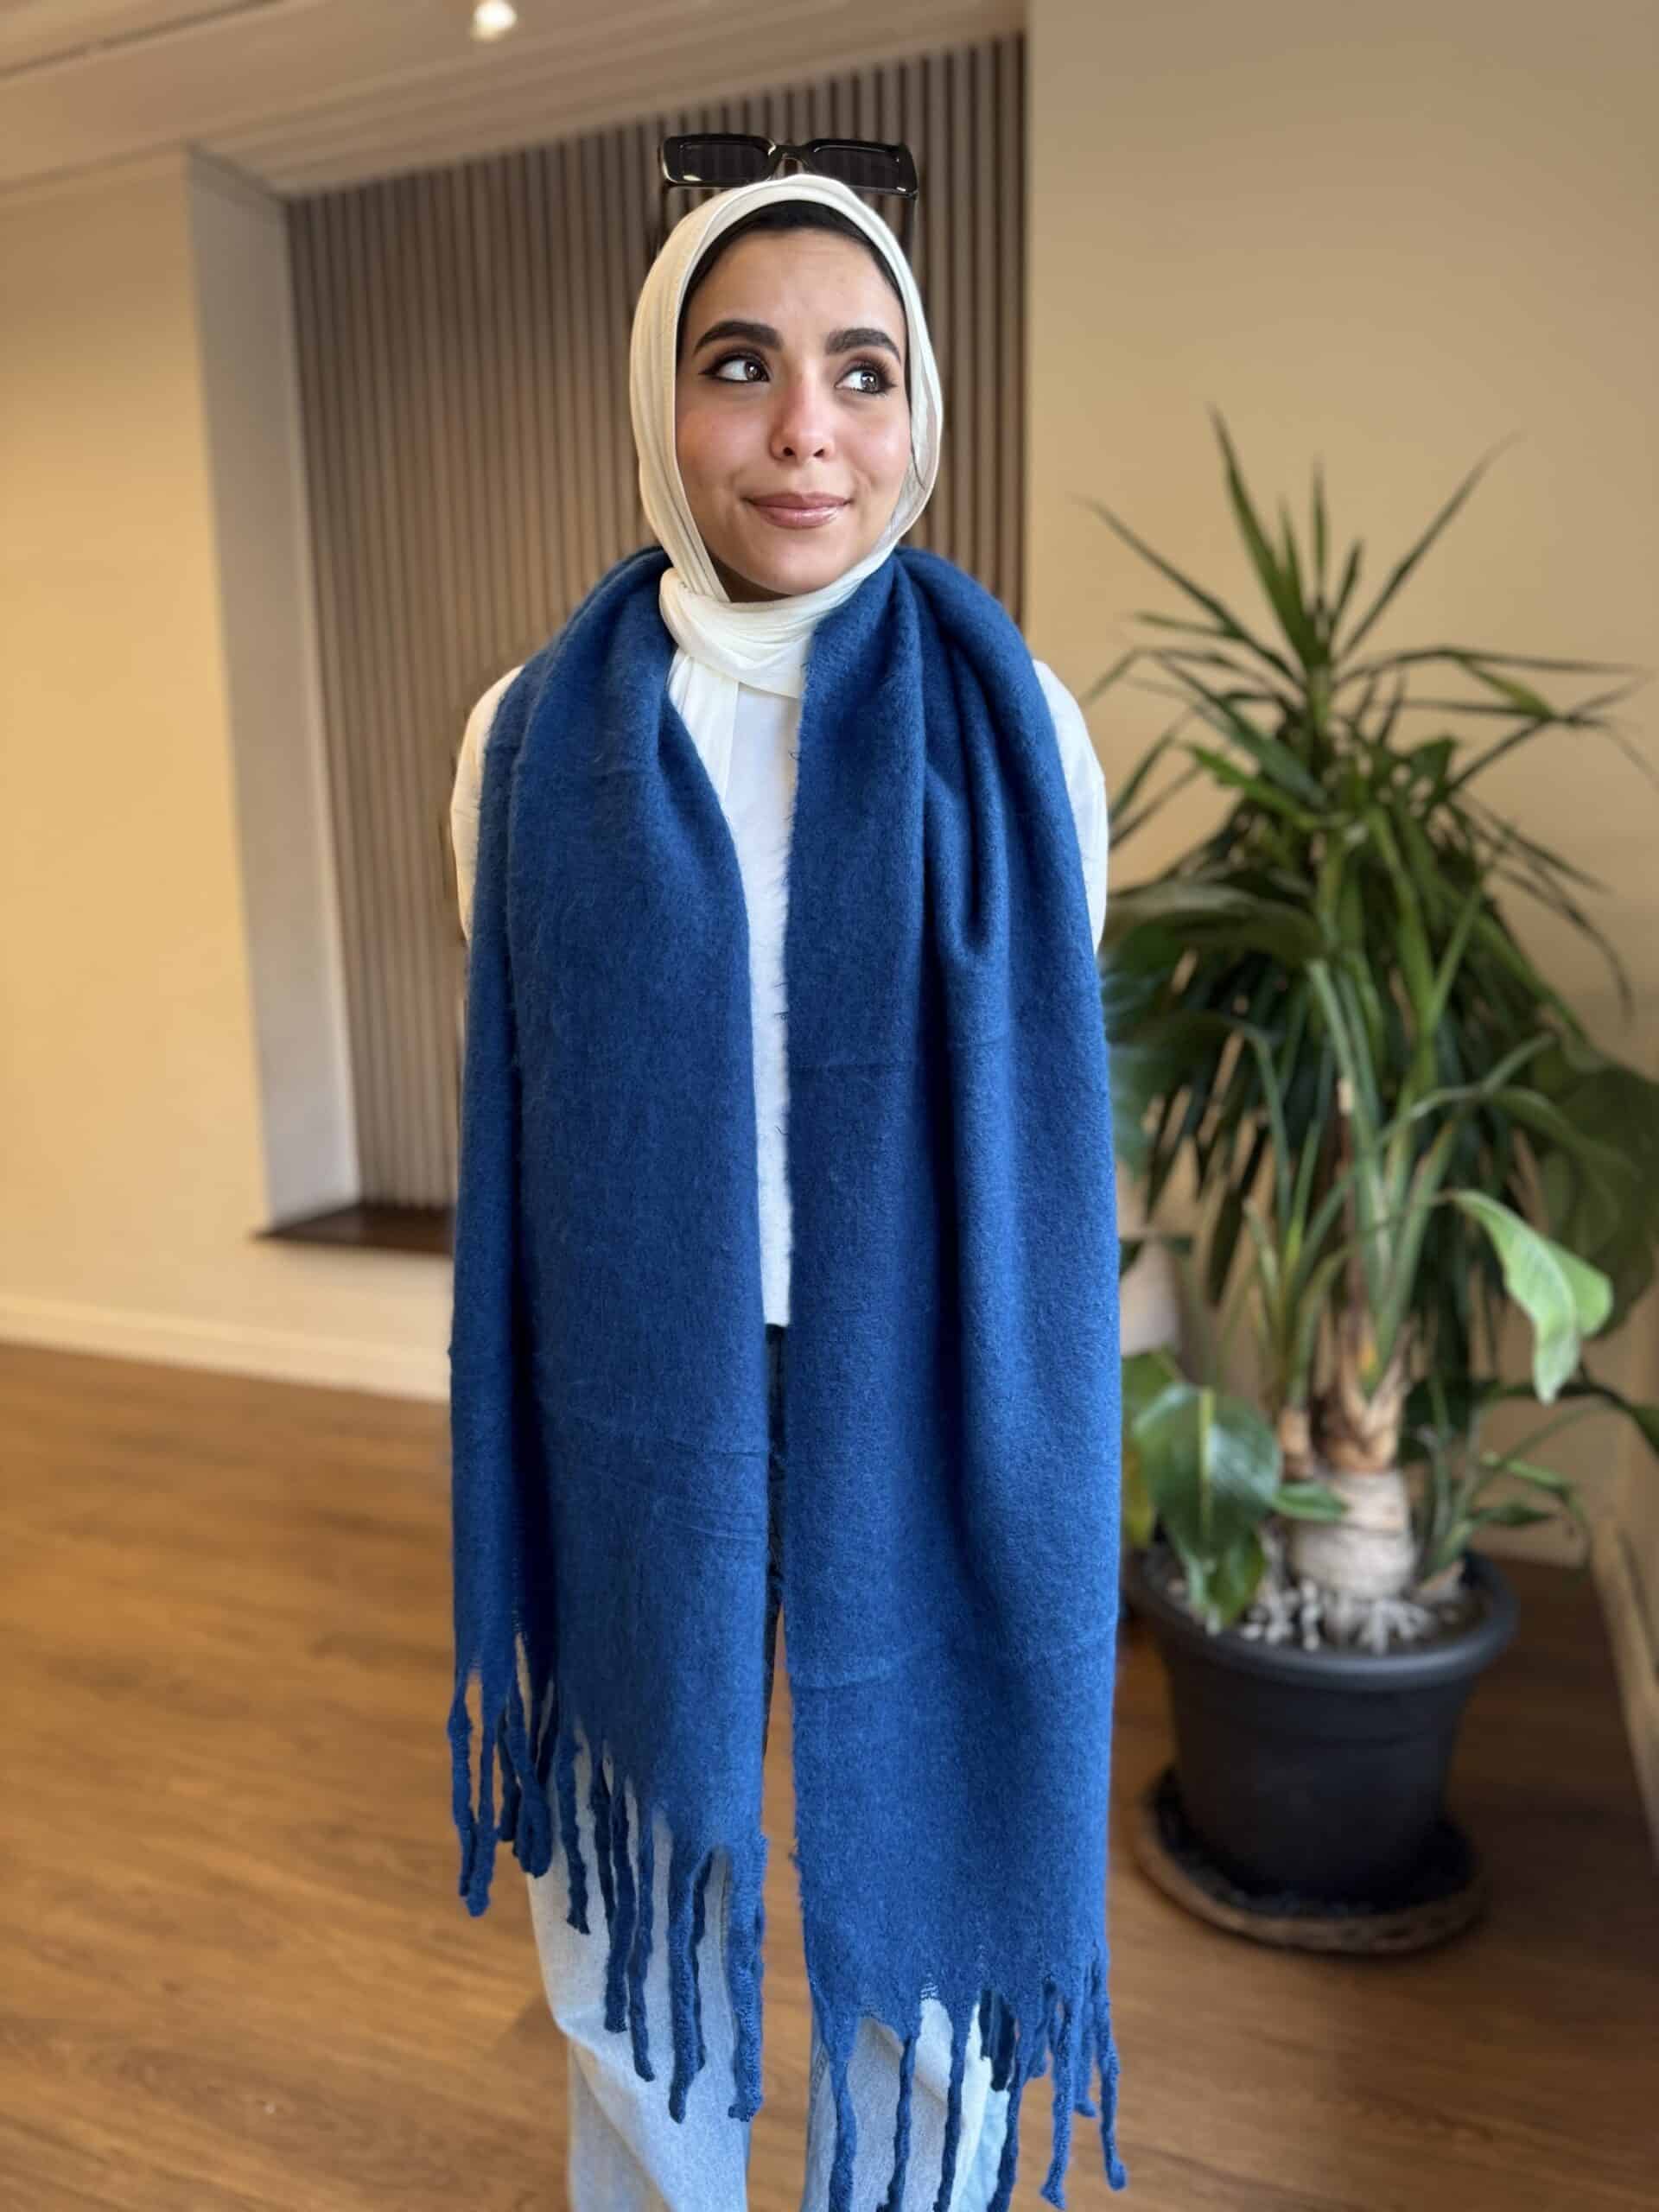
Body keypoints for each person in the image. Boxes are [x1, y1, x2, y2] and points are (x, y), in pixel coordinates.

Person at [448, 168, 1116, 2212]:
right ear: (662, 402)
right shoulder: (527, 736)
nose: (808, 430)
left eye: (863, 371)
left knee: (934, 1862)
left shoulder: (1026, 731)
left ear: (920, 412)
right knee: (632, 1885)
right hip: (641, 1387)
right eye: (741, 365)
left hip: (928, 1382)